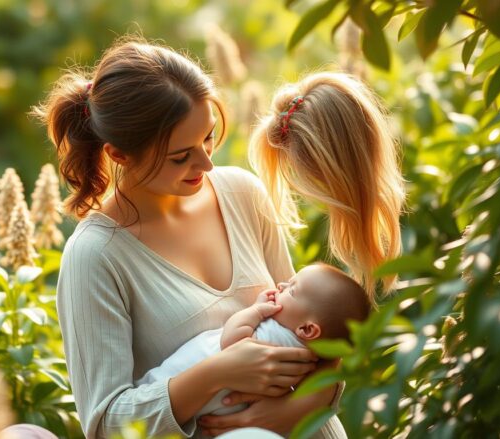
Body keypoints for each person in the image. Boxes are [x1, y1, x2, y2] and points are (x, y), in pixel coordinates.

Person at [34, 35, 403, 438]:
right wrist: (218, 372)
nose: (206, 163)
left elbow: (319, 337)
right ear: (120, 154)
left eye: (208, 136)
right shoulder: (96, 255)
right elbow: (107, 424)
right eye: (181, 156)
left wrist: (297, 408)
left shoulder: (242, 194)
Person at [137, 263, 371, 429]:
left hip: (170, 386)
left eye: (291, 289)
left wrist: (254, 311)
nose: (280, 284)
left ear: (307, 329)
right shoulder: (310, 361)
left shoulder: (273, 334)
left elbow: (232, 343)